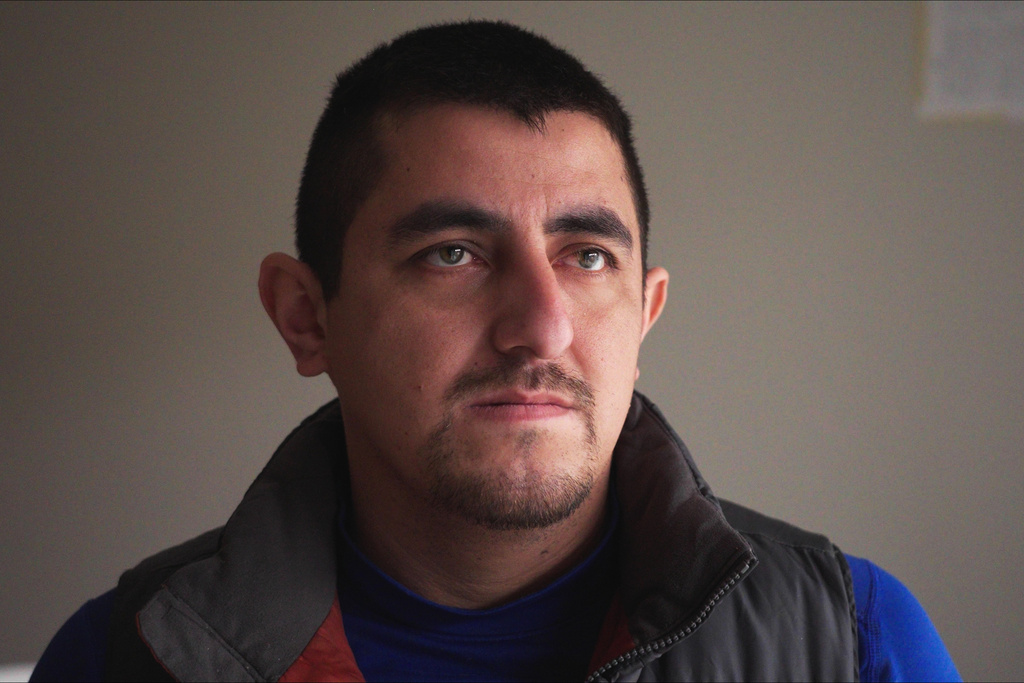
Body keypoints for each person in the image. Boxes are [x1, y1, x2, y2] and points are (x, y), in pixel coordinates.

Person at [33, 21, 960, 682]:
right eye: (454, 254)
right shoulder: (125, 655)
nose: (542, 325)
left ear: (645, 312)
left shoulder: (852, 644)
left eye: (588, 256)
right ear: (307, 317)